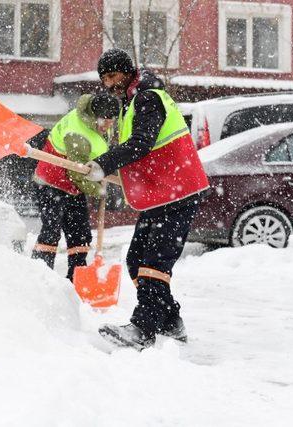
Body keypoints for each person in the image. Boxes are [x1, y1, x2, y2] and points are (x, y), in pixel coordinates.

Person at [85, 48, 210, 350]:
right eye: (104, 79)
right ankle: (170, 321)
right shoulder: (132, 100)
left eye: (113, 76)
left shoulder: (147, 97)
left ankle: (143, 328)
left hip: (178, 191)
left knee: (155, 262)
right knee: (136, 261)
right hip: (162, 192)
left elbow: (142, 143)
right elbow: (143, 154)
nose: (108, 84)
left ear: (127, 71)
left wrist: (105, 162)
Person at [31, 93, 119, 281]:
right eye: (105, 122)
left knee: (80, 233)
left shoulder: (101, 122)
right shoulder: (77, 134)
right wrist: (99, 190)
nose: (108, 127)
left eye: (111, 122)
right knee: (51, 229)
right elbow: (77, 173)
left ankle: (76, 278)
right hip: (51, 182)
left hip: (72, 185)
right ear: (95, 116)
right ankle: (39, 276)